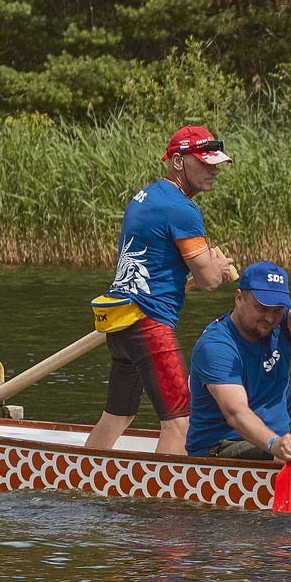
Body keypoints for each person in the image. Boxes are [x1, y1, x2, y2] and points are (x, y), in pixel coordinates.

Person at [84, 126, 239, 456]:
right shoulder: (182, 210)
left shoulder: (145, 197)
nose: (214, 170)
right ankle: (163, 506)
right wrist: (218, 267)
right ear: (179, 162)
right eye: (206, 162)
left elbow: (160, 262)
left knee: (118, 416)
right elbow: (210, 282)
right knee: (179, 422)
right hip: (150, 325)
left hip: (122, 323)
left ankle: (83, 482)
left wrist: (204, 267)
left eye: (216, 163)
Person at [186, 248, 291, 461]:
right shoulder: (216, 346)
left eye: (277, 309)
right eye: (262, 308)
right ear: (239, 298)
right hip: (220, 449)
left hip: (281, 440)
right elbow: (236, 413)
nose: (269, 318)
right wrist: (274, 443)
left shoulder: (282, 325)